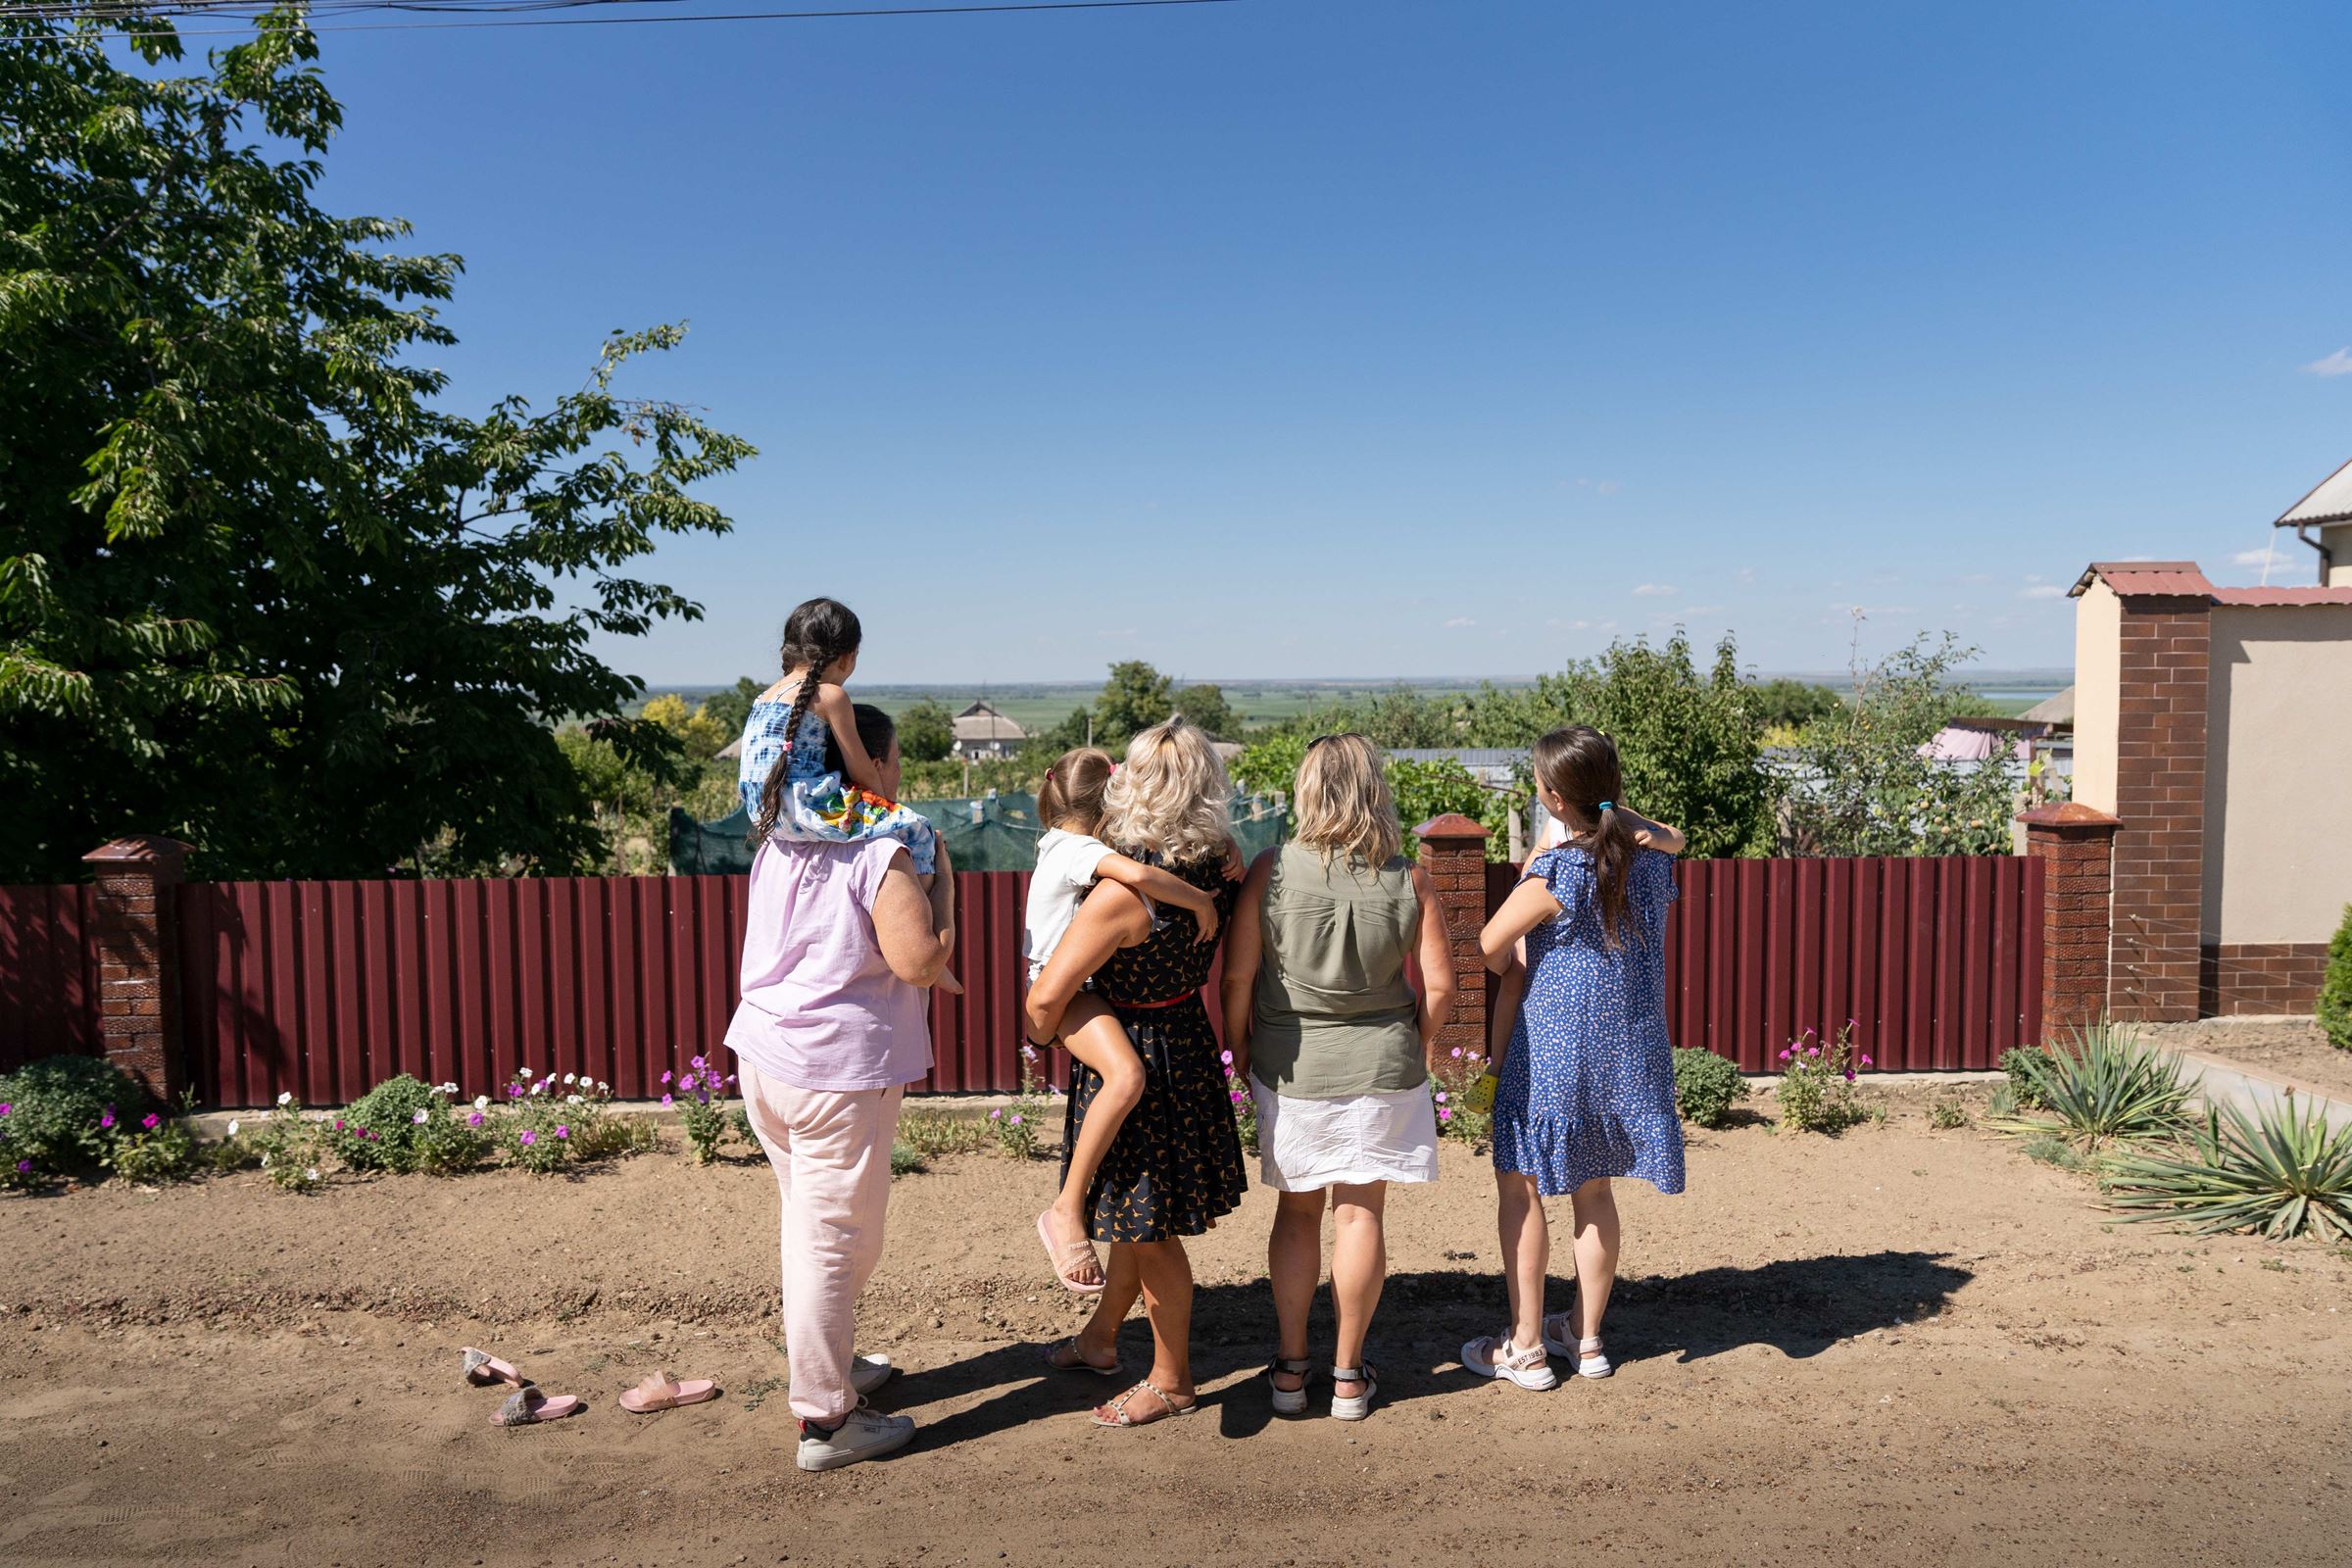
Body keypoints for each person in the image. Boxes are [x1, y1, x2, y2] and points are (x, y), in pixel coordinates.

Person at [723, 702, 957, 1471]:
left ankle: (831, 1359)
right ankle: (827, 1420)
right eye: (895, 762)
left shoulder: (779, 836)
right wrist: (945, 890)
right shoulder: (881, 849)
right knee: (832, 1243)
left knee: (814, 1229)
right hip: (835, 1075)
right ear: (872, 765)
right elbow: (919, 961)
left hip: (767, 1055)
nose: (899, 776)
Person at [1218, 733, 1454, 1421]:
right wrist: (1416, 1044)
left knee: (1297, 1213)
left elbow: (1237, 976)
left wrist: (1239, 1044)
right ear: (1374, 789)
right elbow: (1441, 987)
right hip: (1385, 1065)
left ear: (1308, 790)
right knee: (1360, 1213)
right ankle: (1349, 1377)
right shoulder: (1410, 878)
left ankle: (1290, 1372)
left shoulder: (1271, 870)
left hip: (1292, 1065)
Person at [1021, 715, 1247, 1427]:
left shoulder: (1122, 895)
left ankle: (1172, 1380)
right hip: (1186, 1042)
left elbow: (1046, 998)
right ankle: (1100, 1340)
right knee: (1134, 1217)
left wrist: (1042, 1032)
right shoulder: (1219, 869)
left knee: (1150, 1229)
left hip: (1134, 1050)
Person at [1461, 725, 1685, 1392]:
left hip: (1555, 1050)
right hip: (1628, 1051)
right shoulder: (1652, 864)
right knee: (1596, 1190)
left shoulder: (1559, 870)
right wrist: (1614, 812)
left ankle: (1526, 1347)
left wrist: (1537, 864)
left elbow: (1488, 945)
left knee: (1522, 1186)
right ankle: (1586, 1341)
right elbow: (1669, 837)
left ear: (1555, 800)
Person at [741, 596, 943, 881]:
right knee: (917, 829)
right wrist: (884, 805)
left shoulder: (764, 697)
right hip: (805, 807)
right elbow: (861, 769)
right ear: (848, 656)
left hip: (764, 811)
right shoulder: (831, 696)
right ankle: (920, 900)